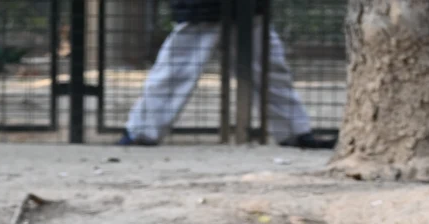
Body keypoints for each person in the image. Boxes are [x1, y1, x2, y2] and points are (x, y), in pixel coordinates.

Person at [118, 0, 332, 149]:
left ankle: (294, 131)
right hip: (201, 10)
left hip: (248, 10)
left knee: (271, 70)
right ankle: (140, 132)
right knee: (175, 72)